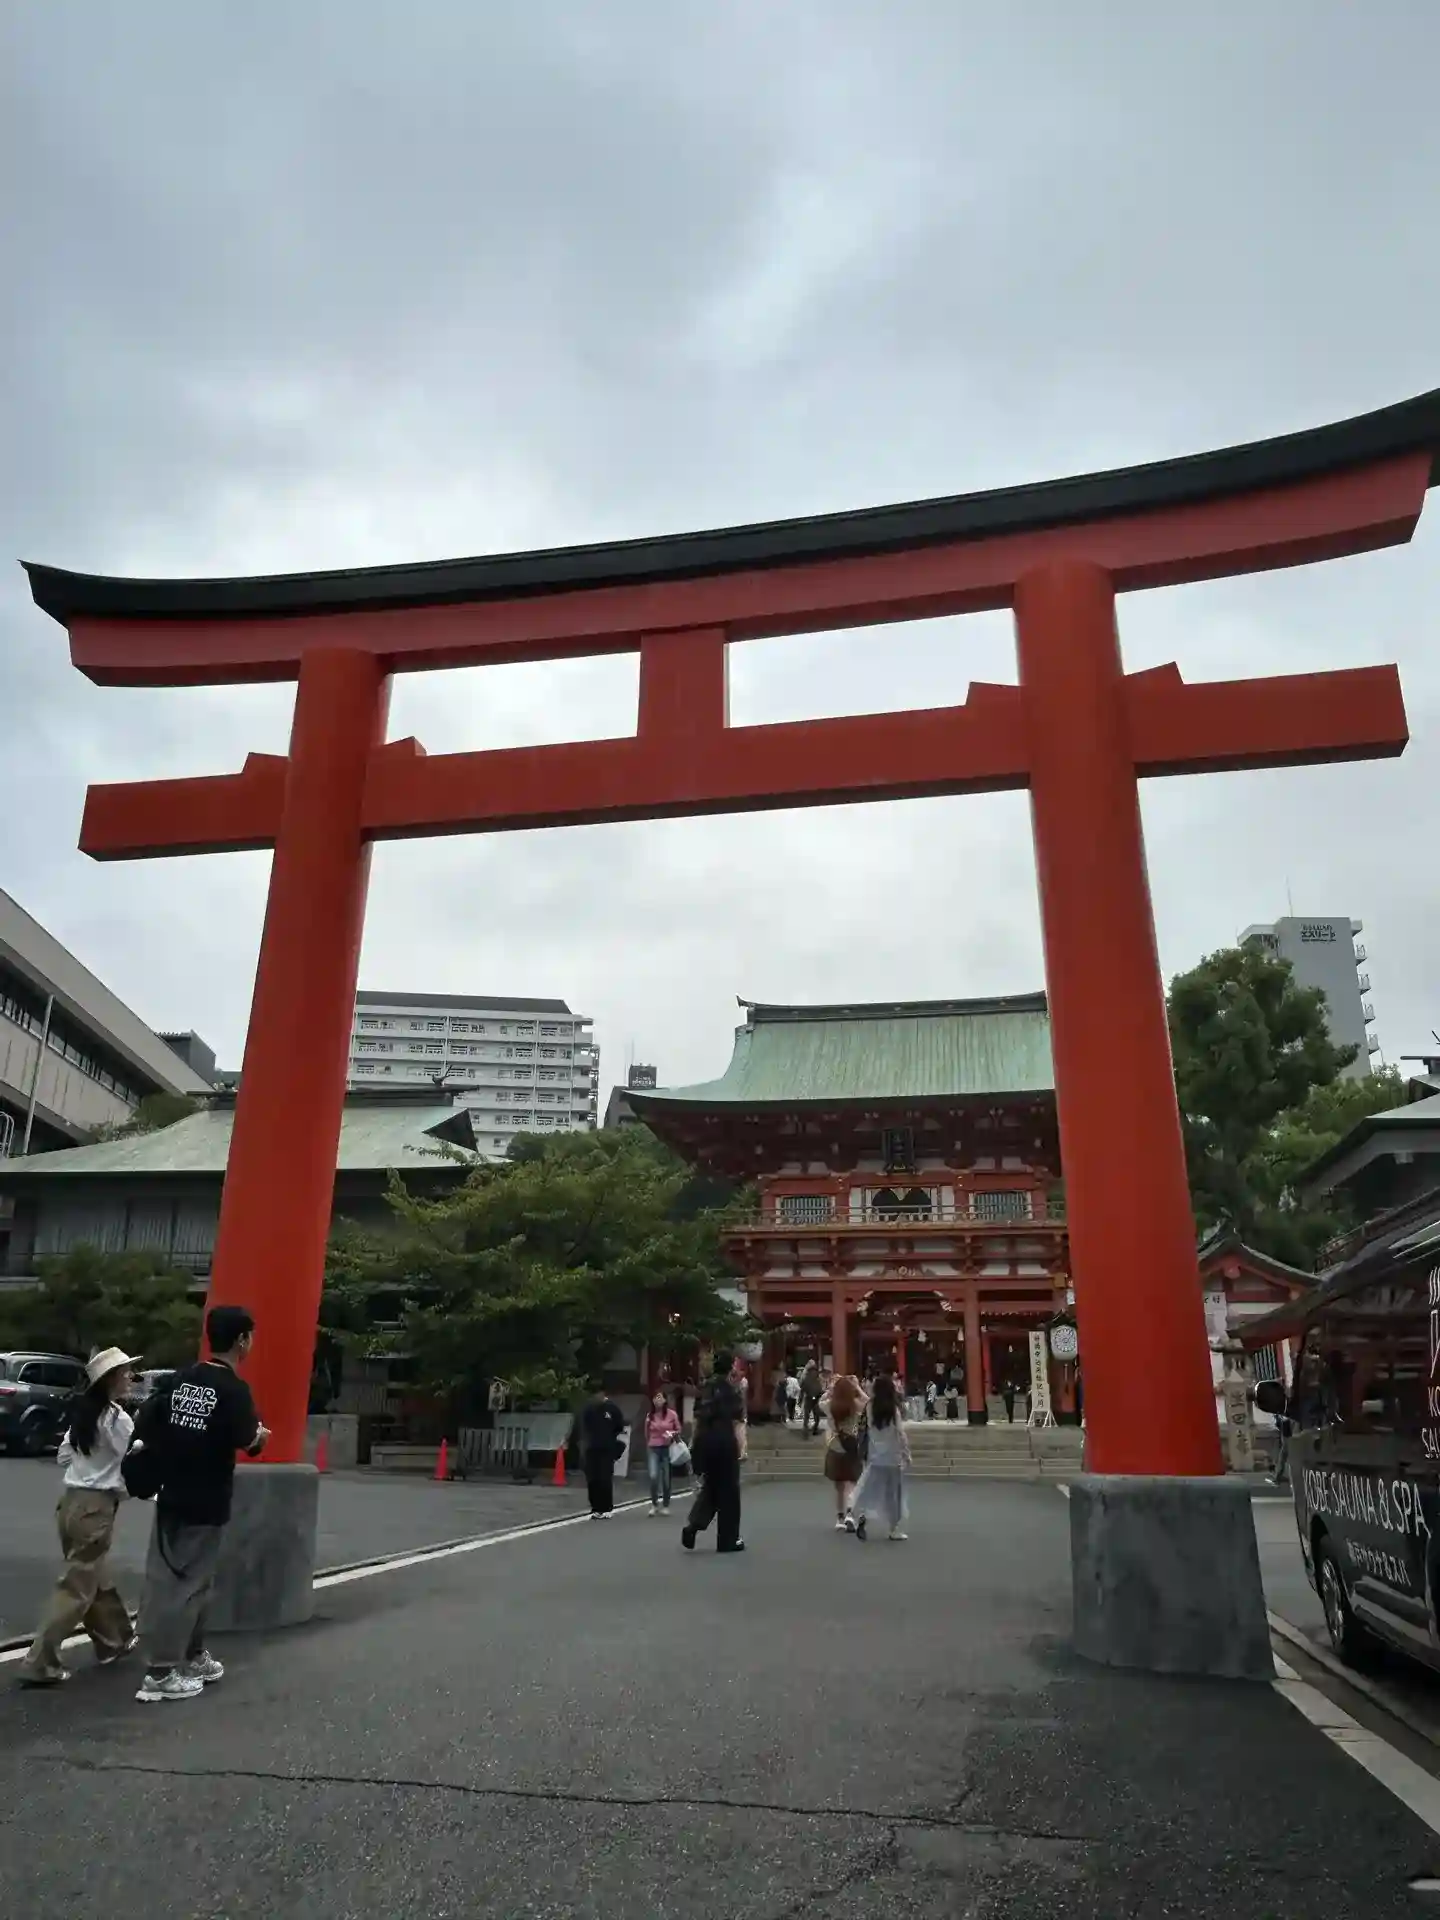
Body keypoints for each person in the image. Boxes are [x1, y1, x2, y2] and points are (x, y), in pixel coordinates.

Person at [132, 1305, 269, 1704]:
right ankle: (160, 1672)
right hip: (206, 1497)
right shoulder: (233, 1390)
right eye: (250, 1336)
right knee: (189, 1584)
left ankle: (192, 1655)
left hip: (169, 1491)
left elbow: (152, 1420)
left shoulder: (180, 1379)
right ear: (241, 1339)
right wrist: (261, 1436)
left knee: (172, 1578)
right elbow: (249, 1440)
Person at [17, 1346, 142, 1687]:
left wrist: (89, 1466)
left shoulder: (85, 1416)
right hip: (96, 1506)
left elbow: (63, 1456)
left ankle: (115, 1640)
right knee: (76, 1588)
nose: (131, 1378)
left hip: (71, 1502)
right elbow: (131, 1462)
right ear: (111, 1379)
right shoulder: (118, 1420)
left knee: (92, 1574)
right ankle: (39, 1663)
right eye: (126, 1373)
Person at [682, 1349, 745, 1553]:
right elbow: (737, 1421)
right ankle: (728, 1540)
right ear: (730, 1367)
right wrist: (742, 1447)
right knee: (729, 1491)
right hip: (724, 1440)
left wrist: (694, 1444)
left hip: (705, 1440)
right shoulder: (732, 1390)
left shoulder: (704, 1388)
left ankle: (693, 1526)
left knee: (711, 1487)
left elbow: (697, 1417)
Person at [851, 1373, 912, 1542]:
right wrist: (906, 1454)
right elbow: (900, 1434)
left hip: (875, 1455)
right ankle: (894, 1529)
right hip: (893, 1456)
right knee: (894, 1494)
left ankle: (863, 1515)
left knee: (871, 1489)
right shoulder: (893, 1409)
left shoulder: (870, 1407)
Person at [822, 1374, 867, 1531]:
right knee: (851, 1483)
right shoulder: (855, 1405)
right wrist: (857, 1388)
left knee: (839, 1486)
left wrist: (830, 1390)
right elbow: (868, 1402)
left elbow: (820, 1401)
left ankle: (839, 1518)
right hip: (851, 1447)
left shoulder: (829, 1405)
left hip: (835, 1447)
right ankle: (850, 1513)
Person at [579, 1387, 628, 1518]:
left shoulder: (612, 1409)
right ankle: (595, 1507)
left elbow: (619, 1426)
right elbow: (585, 1427)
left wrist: (611, 1439)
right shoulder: (589, 1409)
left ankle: (606, 1507)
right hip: (592, 1448)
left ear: (603, 1394)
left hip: (607, 1448)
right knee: (592, 1478)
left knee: (605, 1478)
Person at [644, 1389, 681, 1514]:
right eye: (655, 1397)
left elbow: (678, 1429)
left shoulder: (672, 1414)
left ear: (665, 1400)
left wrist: (671, 1434)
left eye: (659, 1397)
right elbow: (646, 1433)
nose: (657, 1400)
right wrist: (649, 1443)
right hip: (653, 1448)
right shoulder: (650, 1416)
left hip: (667, 1448)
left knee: (666, 1479)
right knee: (653, 1476)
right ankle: (654, 1504)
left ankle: (666, 1504)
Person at [799, 1360, 823, 1437]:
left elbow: (802, 1389)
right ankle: (811, 1429)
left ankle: (808, 1430)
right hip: (812, 1397)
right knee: (813, 1415)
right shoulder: (814, 1378)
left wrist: (800, 1399)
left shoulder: (808, 1377)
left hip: (811, 1397)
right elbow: (819, 1387)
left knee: (809, 1416)